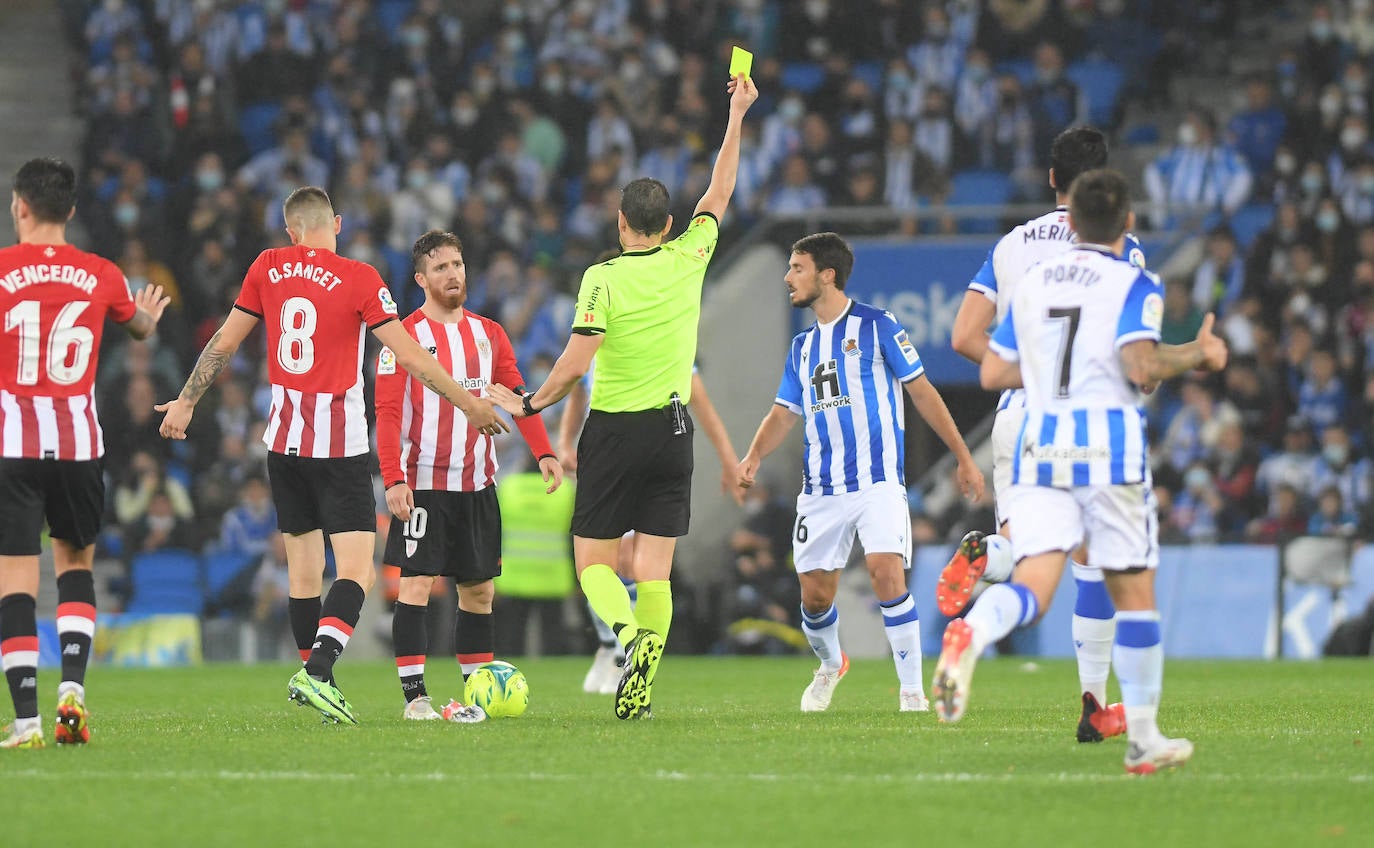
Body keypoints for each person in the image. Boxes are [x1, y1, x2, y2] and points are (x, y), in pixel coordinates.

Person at [157, 187, 509, 725]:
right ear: (336, 224)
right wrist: (469, 402)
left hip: (282, 443)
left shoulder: (267, 266)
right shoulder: (361, 278)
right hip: (338, 445)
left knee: (303, 577)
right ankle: (318, 674)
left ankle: (320, 692)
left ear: (291, 230)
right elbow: (411, 355)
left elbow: (224, 342)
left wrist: (186, 401)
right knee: (356, 573)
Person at [933, 169, 1228, 775]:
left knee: (1036, 583)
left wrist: (1046, 373)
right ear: (1127, 222)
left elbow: (991, 373)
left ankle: (972, 634)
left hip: (1042, 448)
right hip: (1108, 454)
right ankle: (1144, 739)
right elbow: (1140, 366)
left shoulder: (1035, 283)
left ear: (1070, 221)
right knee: (1134, 594)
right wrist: (1199, 354)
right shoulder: (1134, 283)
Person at [488, 73, 759, 720]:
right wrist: (738, 113)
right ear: (668, 225)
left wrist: (529, 404)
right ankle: (646, 672)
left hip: (614, 429)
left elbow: (575, 360)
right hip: (674, 431)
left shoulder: (601, 278)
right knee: (656, 571)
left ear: (620, 223)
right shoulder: (691, 254)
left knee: (594, 565)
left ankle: (628, 637)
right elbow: (720, 187)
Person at [944, 126, 1144, 743]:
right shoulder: (1119, 247)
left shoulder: (1012, 244)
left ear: (1052, 179)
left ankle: (990, 557)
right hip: (1084, 420)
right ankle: (1093, 703)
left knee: (1035, 555)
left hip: (1016, 415)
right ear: (1103, 183)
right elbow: (1134, 355)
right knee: (1094, 561)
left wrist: (1033, 367)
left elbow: (963, 338)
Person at [735, 232, 983, 713]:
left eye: (797, 268)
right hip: (821, 490)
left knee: (885, 571)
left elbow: (923, 391)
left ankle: (912, 691)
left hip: (877, 482)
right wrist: (753, 456)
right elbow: (784, 412)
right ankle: (830, 665)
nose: (788, 277)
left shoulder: (878, 325)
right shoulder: (802, 346)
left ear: (826, 274)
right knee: (813, 598)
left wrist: (964, 455)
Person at [0, 157, 170, 749]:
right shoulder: (100, 273)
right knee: (75, 566)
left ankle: (25, 723)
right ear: (70, 211)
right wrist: (146, 314)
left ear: (20, 206)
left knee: (16, 581)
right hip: (77, 443)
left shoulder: (0, 271)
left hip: (14, 443)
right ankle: (72, 689)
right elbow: (140, 330)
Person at [376, 229, 564, 723]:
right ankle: (415, 698)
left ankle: (475, 696)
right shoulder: (403, 337)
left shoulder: (490, 333)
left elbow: (516, 397)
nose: (453, 273)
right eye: (440, 267)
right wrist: (394, 478)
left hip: (478, 485)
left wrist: (544, 451)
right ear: (420, 279)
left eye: (457, 264)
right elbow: (389, 412)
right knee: (415, 585)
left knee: (478, 592)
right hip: (424, 487)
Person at [559, 359, 743, 695]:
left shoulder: (665, 344)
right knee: (605, 565)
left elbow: (700, 401)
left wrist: (728, 459)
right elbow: (574, 394)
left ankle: (622, 655)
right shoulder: (599, 344)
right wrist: (564, 444)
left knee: (623, 561)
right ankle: (609, 647)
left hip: (642, 455)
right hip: (603, 460)